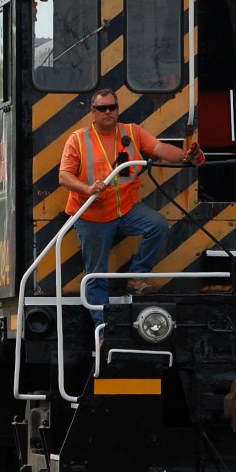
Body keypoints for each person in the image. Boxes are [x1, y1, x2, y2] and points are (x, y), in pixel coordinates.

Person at [59, 89, 204, 328]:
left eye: (112, 107)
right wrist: (86, 189)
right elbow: (64, 176)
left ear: (118, 109)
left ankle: (136, 277)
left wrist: (186, 157)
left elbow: (160, 149)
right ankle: (102, 328)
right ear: (93, 112)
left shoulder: (132, 132)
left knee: (157, 223)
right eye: (102, 108)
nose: (108, 112)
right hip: (92, 216)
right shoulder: (78, 139)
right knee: (96, 274)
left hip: (126, 209)